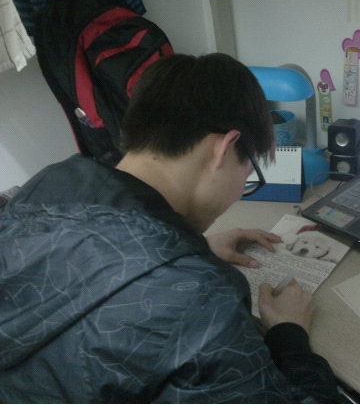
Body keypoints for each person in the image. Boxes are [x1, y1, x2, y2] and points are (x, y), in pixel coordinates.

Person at [0, 53, 339, 403]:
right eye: (249, 172)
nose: (241, 189)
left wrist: (190, 249)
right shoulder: (202, 298)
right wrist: (289, 337)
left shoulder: (44, 187)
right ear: (224, 149)